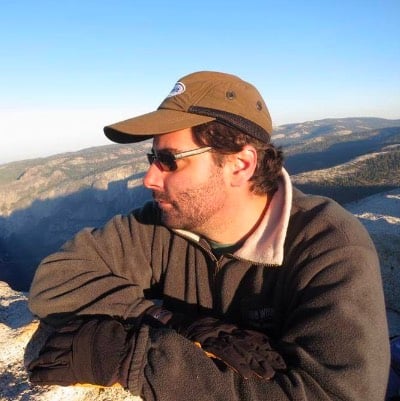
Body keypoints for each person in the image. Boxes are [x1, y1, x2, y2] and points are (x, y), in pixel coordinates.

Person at [27, 71, 390, 400]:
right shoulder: (161, 224)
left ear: (240, 164)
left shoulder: (328, 245)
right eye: (152, 159)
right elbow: (54, 280)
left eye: (169, 161)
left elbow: (335, 394)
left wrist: (141, 359)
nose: (150, 178)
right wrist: (168, 322)